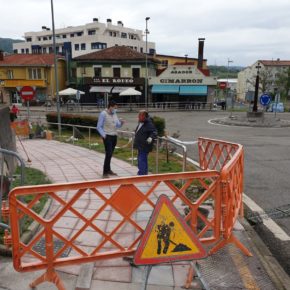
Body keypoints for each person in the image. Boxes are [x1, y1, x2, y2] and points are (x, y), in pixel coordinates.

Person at [97, 100, 124, 178]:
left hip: (114, 135)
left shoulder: (114, 114)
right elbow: (99, 126)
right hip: (107, 136)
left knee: (110, 154)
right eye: (115, 108)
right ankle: (105, 172)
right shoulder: (103, 114)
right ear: (110, 107)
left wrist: (121, 123)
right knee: (108, 153)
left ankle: (109, 169)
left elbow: (117, 125)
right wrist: (104, 135)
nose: (116, 109)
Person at [133, 110, 157, 175]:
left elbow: (154, 132)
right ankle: (143, 173)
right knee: (142, 159)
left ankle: (142, 174)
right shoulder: (141, 122)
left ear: (144, 116)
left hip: (145, 145)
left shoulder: (149, 123)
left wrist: (151, 137)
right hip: (140, 145)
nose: (138, 117)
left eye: (140, 115)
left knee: (141, 159)